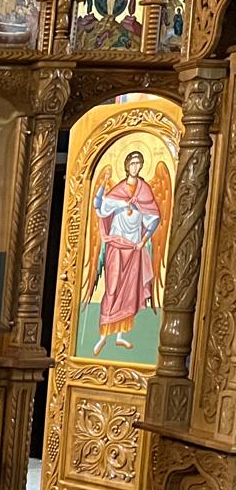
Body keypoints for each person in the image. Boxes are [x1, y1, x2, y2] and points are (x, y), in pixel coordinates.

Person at [89, 150, 163, 355]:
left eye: (139, 163)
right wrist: (103, 184)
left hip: (133, 248)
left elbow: (154, 219)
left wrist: (143, 242)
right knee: (112, 287)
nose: (135, 167)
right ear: (127, 166)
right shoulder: (119, 190)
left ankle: (120, 336)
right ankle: (103, 336)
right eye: (132, 163)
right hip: (116, 245)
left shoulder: (145, 191)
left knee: (129, 291)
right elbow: (100, 207)